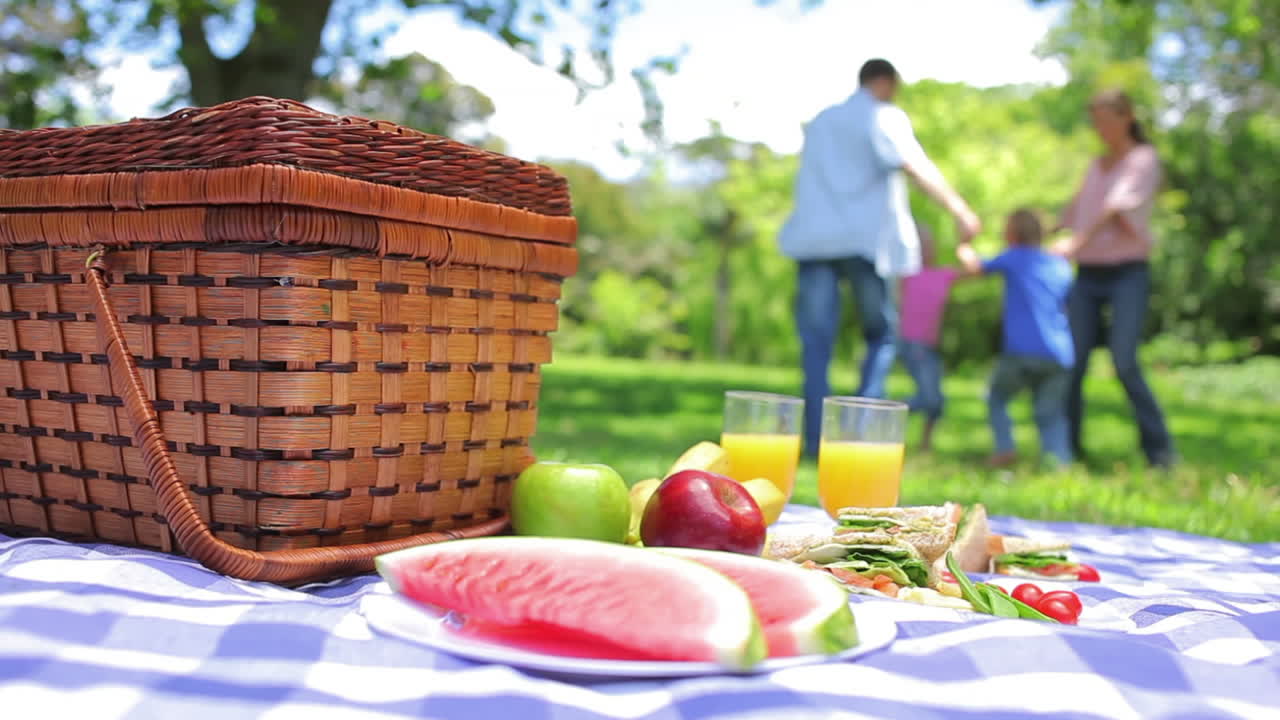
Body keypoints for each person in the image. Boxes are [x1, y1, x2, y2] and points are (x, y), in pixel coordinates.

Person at [779, 58, 981, 456]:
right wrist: (959, 209)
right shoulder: (883, 115)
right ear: (886, 82)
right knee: (881, 335)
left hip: (816, 242)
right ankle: (857, 436)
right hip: (864, 243)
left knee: (817, 344)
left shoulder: (821, 122)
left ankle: (817, 441)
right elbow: (912, 164)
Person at [1052, 90, 1175, 468]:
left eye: (1106, 119)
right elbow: (1076, 208)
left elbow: (1113, 209)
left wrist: (1076, 242)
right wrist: (1044, 231)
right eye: (1096, 121)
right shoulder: (1097, 164)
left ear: (1126, 118)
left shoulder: (1142, 159)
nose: (1100, 128)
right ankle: (1067, 450)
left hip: (1126, 273)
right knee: (1072, 362)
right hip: (1088, 274)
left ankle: (1160, 453)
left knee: (1124, 361)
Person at [956, 209, 1074, 467]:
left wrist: (963, 244)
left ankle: (1005, 448)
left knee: (997, 396)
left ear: (1011, 234)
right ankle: (1059, 462)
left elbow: (975, 268)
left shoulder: (1016, 257)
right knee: (1051, 413)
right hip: (1059, 352)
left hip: (1022, 350)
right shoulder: (1060, 265)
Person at [897, 221, 960, 451]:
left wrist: (963, 243)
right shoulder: (905, 274)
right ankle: (891, 409)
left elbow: (972, 270)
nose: (927, 249)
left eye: (929, 244)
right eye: (922, 244)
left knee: (936, 401)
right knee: (930, 398)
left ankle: (925, 443)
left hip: (931, 344)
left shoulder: (942, 275)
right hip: (910, 343)